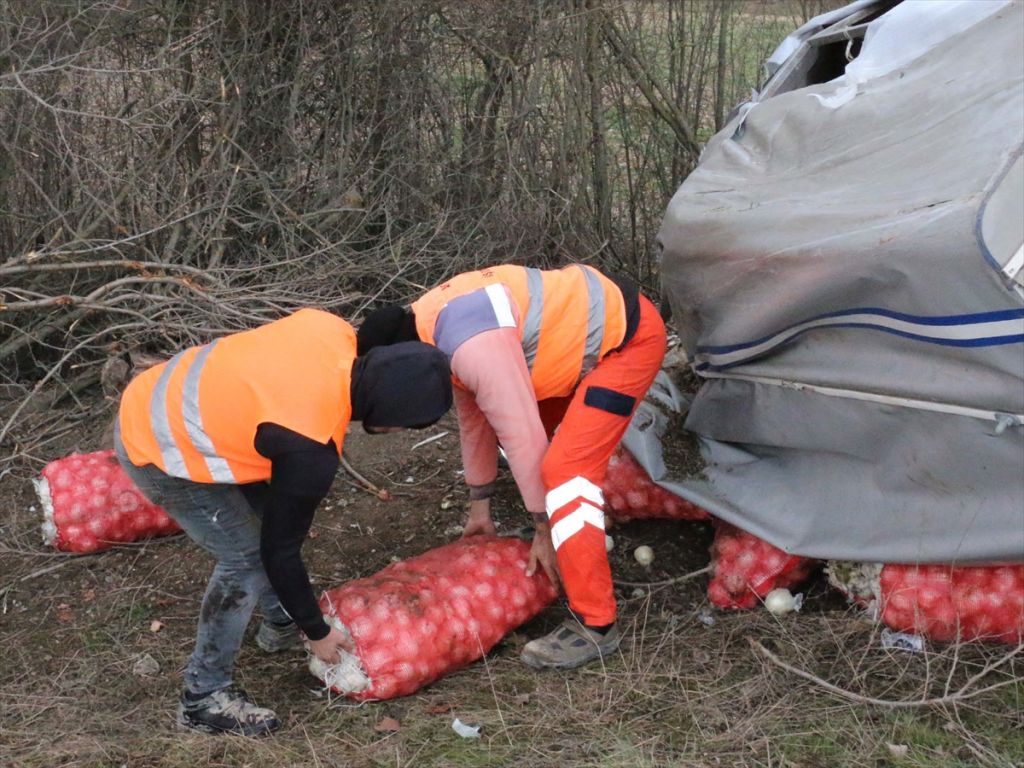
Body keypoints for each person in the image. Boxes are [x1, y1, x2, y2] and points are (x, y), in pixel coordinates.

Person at [114, 308, 452, 736]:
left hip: (169, 394)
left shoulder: (329, 329)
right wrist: (317, 630)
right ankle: (203, 696)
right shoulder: (310, 445)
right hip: (157, 442)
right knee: (247, 558)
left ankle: (279, 626)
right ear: (388, 417)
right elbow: (279, 549)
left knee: (265, 523)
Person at [356, 264, 666, 670]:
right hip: (568, 349)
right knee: (540, 459)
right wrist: (479, 506)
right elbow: (476, 417)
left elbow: (522, 435)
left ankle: (596, 624)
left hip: (626, 344)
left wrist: (544, 527)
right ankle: (580, 530)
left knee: (565, 473)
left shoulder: (471, 345)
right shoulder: (430, 331)